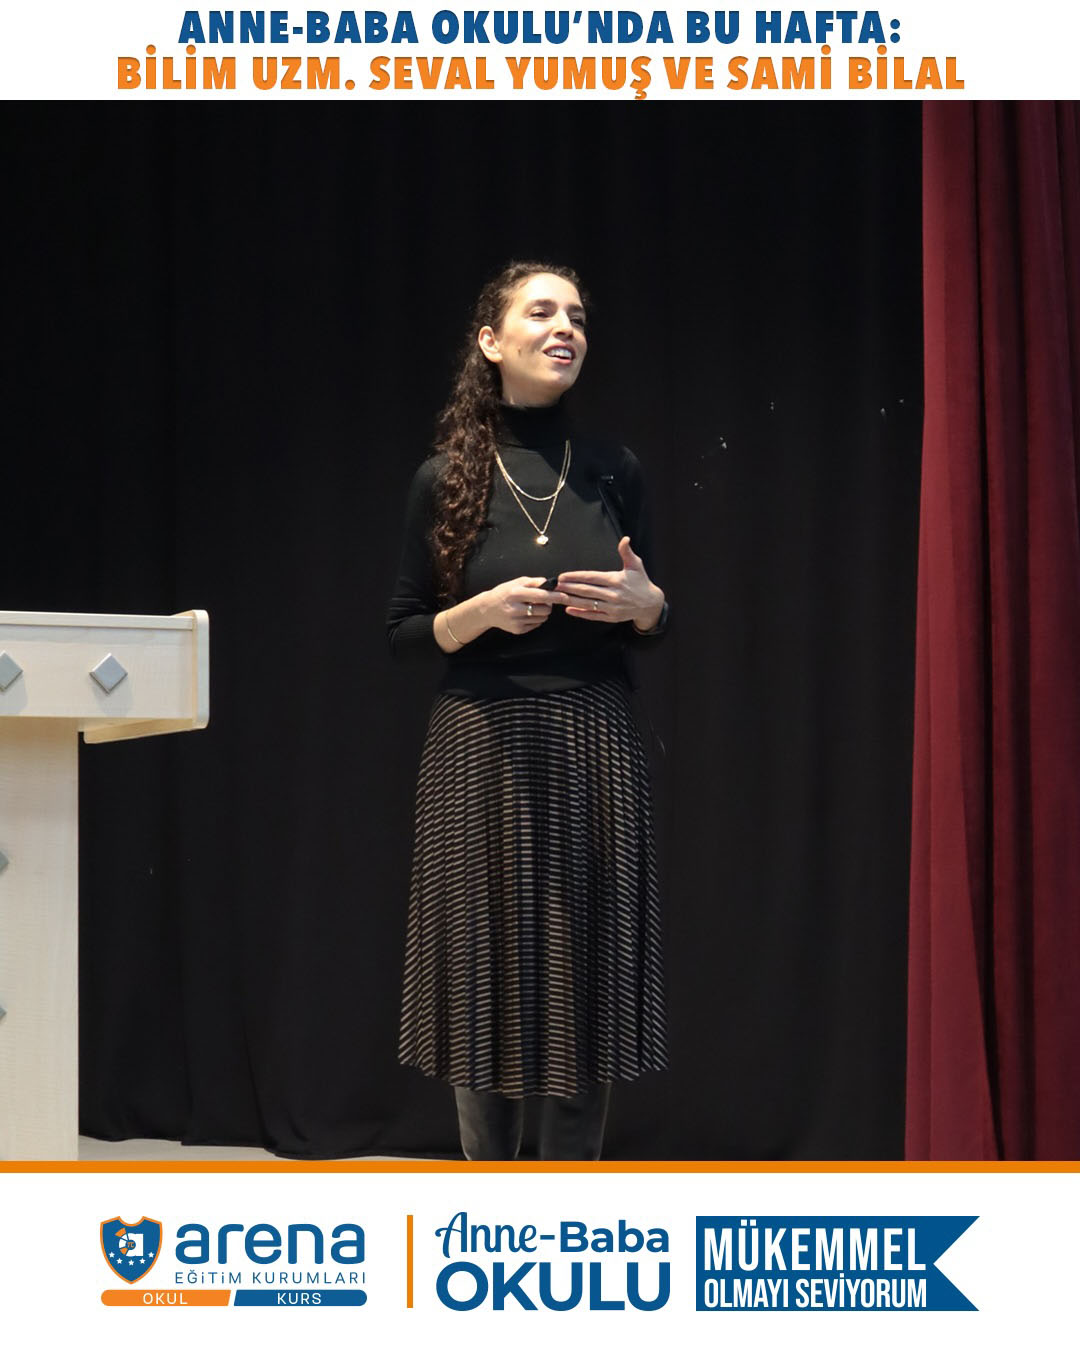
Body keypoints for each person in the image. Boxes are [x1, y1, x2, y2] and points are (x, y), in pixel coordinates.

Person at [387, 260, 669, 1161]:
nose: (565, 329)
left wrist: (650, 608)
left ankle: (567, 1204)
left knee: (587, 975)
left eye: (577, 317)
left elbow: (653, 617)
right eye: (542, 312)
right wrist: (471, 616)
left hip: (594, 740)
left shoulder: (614, 470)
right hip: (480, 745)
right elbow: (402, 632)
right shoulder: (444, 480)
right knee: (483, 968)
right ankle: (493, 1201)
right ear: (490, 341)